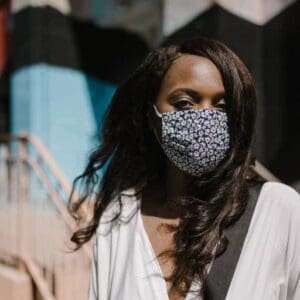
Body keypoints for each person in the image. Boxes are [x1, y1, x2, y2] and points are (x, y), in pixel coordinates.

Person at [68, 37, 300, 300]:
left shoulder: (279, 211)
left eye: (221, 107)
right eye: (184, 104)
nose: (204, 116)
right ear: (151, 116)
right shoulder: (119, 219)